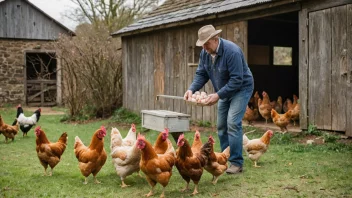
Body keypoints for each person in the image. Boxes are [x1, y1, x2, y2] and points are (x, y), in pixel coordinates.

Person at [184, 25, 254, 174]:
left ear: (216, 39)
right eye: (202, 44)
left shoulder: (232, 51)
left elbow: (237, 80)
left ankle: (236, 163)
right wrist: (191, 89)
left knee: (233, 123)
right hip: (224, 90)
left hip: (241, 88)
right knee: (222, 125)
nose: (204, 47)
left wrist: (217, 95)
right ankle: (224, 158)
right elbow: (201, 74)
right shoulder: (205, 53)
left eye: (207, 43)